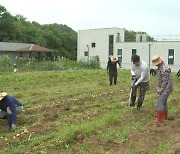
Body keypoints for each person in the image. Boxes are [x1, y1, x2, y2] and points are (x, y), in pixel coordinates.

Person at [151, 55, 173, 123]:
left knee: (160, 101)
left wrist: (161, 89)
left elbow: (165, 82)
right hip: (166, 88)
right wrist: (153, 69)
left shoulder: (164, 69)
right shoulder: (161, 67)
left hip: (166, 88)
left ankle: (159, 119)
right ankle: (164, 117)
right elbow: (158, 71)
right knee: (164, 102)